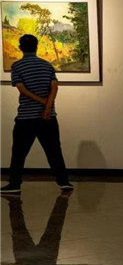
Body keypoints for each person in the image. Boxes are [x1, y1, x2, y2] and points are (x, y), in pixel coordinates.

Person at [1, 34, 73, 194]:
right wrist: (47, 106)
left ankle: (14, 184)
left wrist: (42, 102)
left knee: (19, 153)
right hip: (48, 117)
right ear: (36, 46)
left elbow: (22, 90)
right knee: (54, 151)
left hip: (26, 117)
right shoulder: (47, 65)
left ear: (20, 48)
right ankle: (64, 182)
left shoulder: (17, 66)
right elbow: (54, 87)